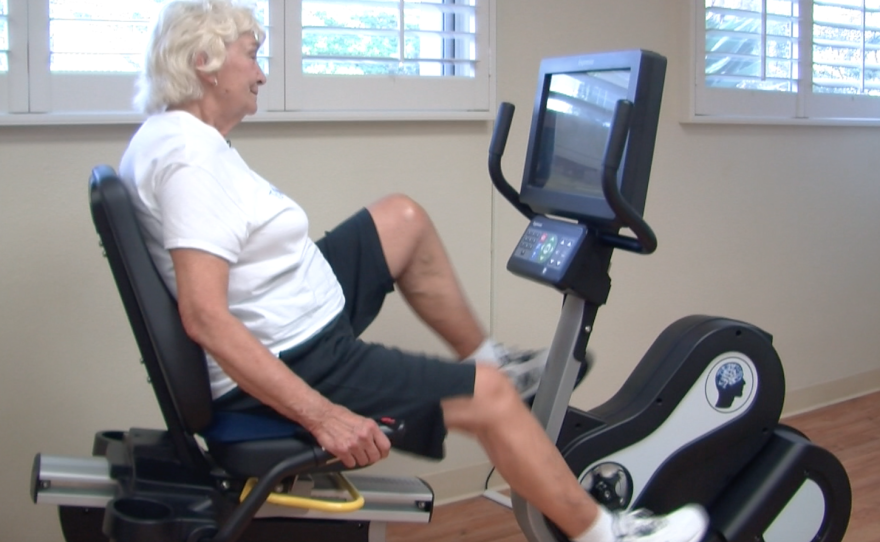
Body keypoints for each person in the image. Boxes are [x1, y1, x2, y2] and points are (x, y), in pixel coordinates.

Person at [118, 2, 710, 541]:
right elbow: (206, 317)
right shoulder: (189, 162)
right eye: (252, 54)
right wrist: (323, 416)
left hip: (291, 307)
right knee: (493, 400)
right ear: (206, 63)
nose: (262, 72)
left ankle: (486, 355)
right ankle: (604, 534)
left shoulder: (175, 138)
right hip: (298, 352)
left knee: (401, 218)